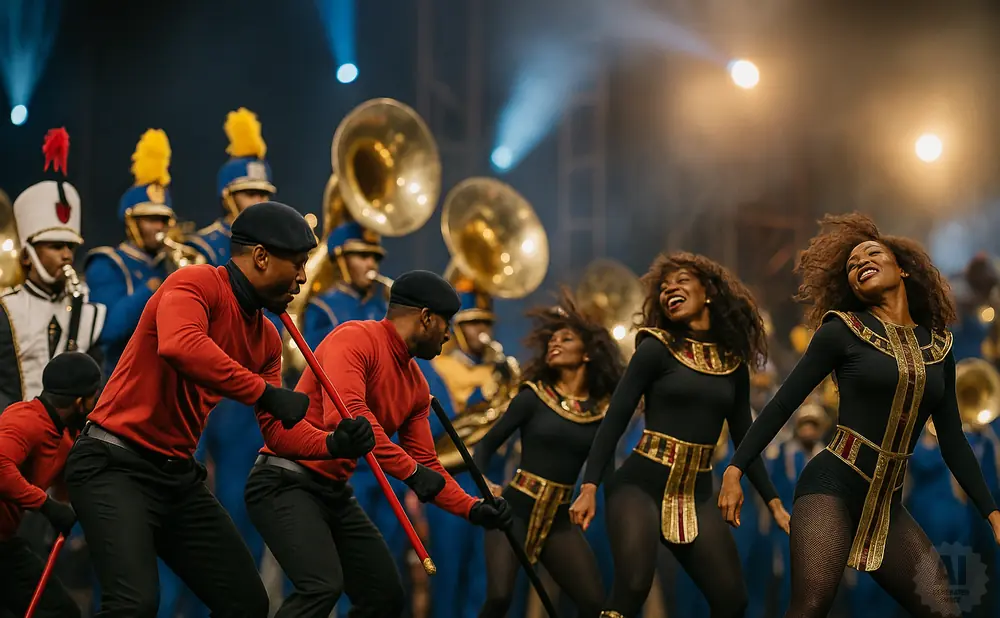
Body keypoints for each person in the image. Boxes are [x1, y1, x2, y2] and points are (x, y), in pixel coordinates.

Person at [64, 201, 373, 618]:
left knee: (246, 602)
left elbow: (278, 434)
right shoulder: (193, 282)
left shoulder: (266, 337)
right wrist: (263, 394)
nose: (303, 277)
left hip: (176, 478)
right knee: (134, 604)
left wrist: (332, 442)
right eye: (297, 264)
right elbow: (180, 346)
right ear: (261, 257)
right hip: (113, 464)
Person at [719, 213, 1000, 618]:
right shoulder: (841, 331)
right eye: (851, 265)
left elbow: (953, 440)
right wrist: (735, 469)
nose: (859, 263)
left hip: (888, 506)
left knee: (945, 611)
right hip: (829, 486)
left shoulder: (940, 347)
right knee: (811, 606)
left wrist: (991, 511)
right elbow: (783, 403)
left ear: (902, 268)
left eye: (871, 253)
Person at [244, 269, 514, 618]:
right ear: (426, 318)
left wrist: (473, 508)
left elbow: (428, 465)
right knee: (321, 587)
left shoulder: (416, 385)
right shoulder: (355, 338)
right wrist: (412, 472)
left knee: (384, 597)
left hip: (333, 492)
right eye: (446, 323)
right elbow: (348, 419)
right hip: (285, 483)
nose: (449, 334)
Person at [570, 251, 790, 618]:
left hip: (698, 493)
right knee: (634, 587)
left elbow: (743, 436)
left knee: (732, 601)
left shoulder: (732, 363)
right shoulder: (655, 348)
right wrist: (590, 485)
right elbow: (616, 419)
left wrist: (773, 501)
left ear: (708, 292)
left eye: (682, 280)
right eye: (664, 286)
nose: (670, 287)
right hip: (638, 486)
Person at [472, 289, 624, 618]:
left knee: (594, 603)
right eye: (552, 340)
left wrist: (604, 500)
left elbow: (604, 469)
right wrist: (485, 484)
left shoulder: (601, 413)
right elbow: (484, 445)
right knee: (499, 598)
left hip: (559, 520)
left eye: (566, 339)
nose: (555, 344)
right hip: (514, 510)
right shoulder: (533, 396)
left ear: (587, 354)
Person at [185, 109, 282, 608]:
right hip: (201, 392)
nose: (260, 203)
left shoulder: (277, 251)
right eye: (250, 195)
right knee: (192, 512)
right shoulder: (199, 247)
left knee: (245, 511)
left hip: (246, 397)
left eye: (265, 195)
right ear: (228, 198)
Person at [426, 273, 514, 618]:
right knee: (449, 573)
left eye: (486, 323)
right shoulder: (437, 367)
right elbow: (435, 427)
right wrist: (480, 400)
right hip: (452, 478)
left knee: (486, 575)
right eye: (474, 323)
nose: (483, 331)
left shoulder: (501, 372)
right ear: (458, 327)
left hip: (491, 478)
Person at [0, 128, 105, 410]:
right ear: (26, 256)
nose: (67, 255)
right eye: (55, 246)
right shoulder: (5, 310)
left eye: (71, 246)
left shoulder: (89, 313)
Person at [0, 352, 101, 617]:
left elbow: (68, 488)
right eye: (94, 397)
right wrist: (46, 506)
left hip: (5, 545)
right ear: (80, 402)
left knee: (59, 612)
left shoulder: (63, 438)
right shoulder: (25, 421)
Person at [85, 129, 174, 385]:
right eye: (151, 219)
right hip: (122, 382)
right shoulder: (107, 263)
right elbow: (108, 330)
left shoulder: (168, 263)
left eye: (164, 219)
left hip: (164, 384)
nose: (160, 227)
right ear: (132, 222)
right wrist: (150, 290)